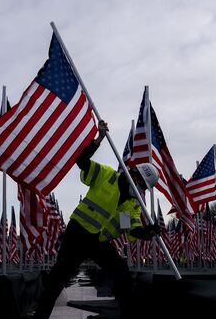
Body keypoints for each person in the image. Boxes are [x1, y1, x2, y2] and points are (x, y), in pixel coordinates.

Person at [32, 120, 161, 319]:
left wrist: (148, 231)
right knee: (57, 280)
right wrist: (98, 139)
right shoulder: (107, 175)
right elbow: (81, 161)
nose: (140, 189)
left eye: (143, 187)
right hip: (77, 235)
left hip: (98, 242)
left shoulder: (131, 204)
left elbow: (132, 229)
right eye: (140, 184)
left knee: (122, 275)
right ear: (132, 174)